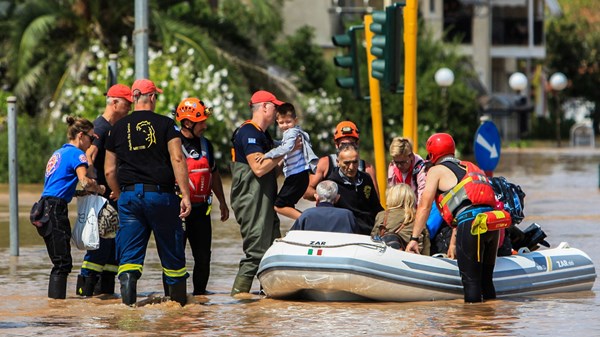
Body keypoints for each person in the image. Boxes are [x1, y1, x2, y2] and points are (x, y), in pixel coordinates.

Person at [104, 78, 192, 306]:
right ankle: (179, 313)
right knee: (172, 255)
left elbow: (109, 170)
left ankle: (129, 312)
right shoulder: (166, 124)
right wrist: (186, 195)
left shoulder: (116, 128)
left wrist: (119, 194)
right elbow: (177, 158)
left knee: (129, 258)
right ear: (152, 97)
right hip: (161, 196)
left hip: (130, 197)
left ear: (133, 98)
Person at [406, 133, 499, 303]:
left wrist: (414, 238)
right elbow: (467, 202)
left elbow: (425, 206)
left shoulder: (436, 170)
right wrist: (454, 242)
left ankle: (470, 327)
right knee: (486, 283)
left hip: (472, 226)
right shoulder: (470, 166)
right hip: (492, 224)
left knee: (471, 285)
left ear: (432, 154)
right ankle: (493, 326)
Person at [36, 116, 105, 299]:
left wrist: (78, 194)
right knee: (62, 263)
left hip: (44, 207)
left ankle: (56, 309)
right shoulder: (77, 154)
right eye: (91, 138)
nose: (91, 143)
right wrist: (98, 188)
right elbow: (84, 181)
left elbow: (56, 187)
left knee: (60, 261)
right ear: (81, 136)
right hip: (55, 210)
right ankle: (57, 314)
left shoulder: (58, 153)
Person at [75, 83, 132, 297]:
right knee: (98, 248)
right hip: (103, 198)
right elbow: (88, 156)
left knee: (111, 250)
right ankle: (84, 295)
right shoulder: (101, 127)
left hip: (110, 197)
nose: (130, 108)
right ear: (115, 103)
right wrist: (94, 185)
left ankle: (105, 297)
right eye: (127, 104)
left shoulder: (111, 127)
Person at [230, 90, 285, 296]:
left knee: (273, 251)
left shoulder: (263, 135)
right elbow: (259, 168)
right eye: (274, 107)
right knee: (255, 253)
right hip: (251, 199)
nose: (277, 111)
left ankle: (267, 299)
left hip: (264, 199)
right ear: (264, 107)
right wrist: (284, 151)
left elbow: (273, 170)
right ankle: (237, 301)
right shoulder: (248, 132)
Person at [174, 97, 229, 295]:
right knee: (175, 258)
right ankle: (175, 299)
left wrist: (223, 202)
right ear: (187, 123)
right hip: (179, 212)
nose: (205, 125)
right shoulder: (173, 144)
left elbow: (213, 174)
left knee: (203, 258)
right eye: (201, 121)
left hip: (201, 211)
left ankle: (200, 300)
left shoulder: (207, 145)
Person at [255, 102, 318, 220]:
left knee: (279, 205)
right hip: (299, 176)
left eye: (288, 122)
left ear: (296, 121)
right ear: (277, 122)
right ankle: (304, 224)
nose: (285, 125)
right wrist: (273, 143)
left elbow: (287, 148)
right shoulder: (293, 132)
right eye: (281, 123)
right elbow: (284, 144)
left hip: (297, 176)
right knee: (288, 205)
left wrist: (267, 155)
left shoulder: (291, 132)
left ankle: (310, 222)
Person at [304, 120, 378, 201]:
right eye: (343, 144)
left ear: (357, 143)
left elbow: (376, 200)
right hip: (333, 212)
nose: (347, 147)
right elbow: (307, 191)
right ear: (336, 144)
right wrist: (326, 197)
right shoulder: (325, 164)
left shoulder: (367, 169)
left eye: (351, 144)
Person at [327, 142, 383, 235]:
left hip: (370, 232)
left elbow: (376, 207)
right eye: (347, 163)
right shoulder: (332, 184)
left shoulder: (366, 178)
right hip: (346, 233)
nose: (351, 167)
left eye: (355, 162)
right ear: (338, 162)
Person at [372, 184, 430, 254]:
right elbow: (426, 247)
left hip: (385, 256)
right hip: (410, 258)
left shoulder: (381, 215)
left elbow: (373, 239)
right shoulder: (418, 219)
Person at [290, 180, 357, 233]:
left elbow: (292, 236)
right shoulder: (347, 215)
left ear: (317, 198)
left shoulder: (306, 214)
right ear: (337, 198)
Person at [387, 137, 427, 204]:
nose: (399, 166)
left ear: (411, 156)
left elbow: (422, 200)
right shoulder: (392, 166)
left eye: (402, 162)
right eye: (396, 162)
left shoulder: (421, 169)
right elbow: (391, 195)